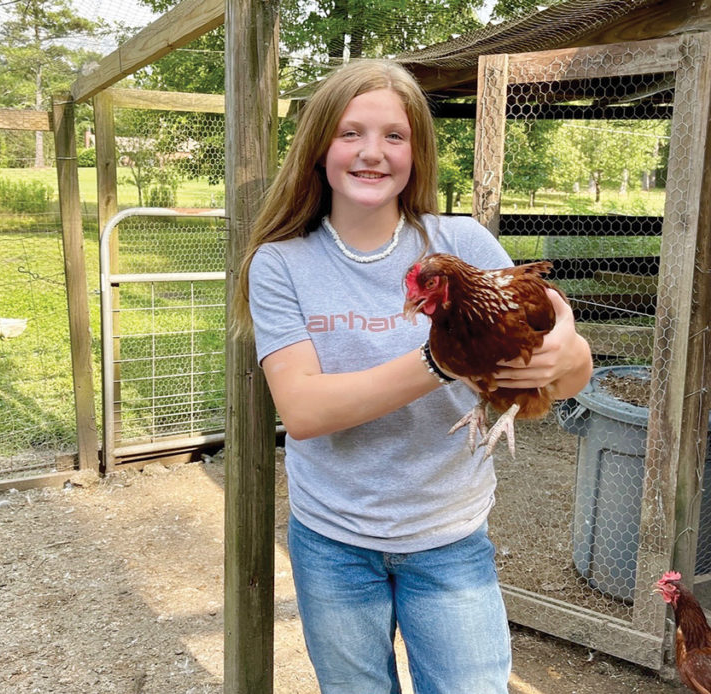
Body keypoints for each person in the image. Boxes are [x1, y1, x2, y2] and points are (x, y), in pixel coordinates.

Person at [231, 59, 593, 694]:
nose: (373, 153)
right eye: (351, 133)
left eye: (393, 136)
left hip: (448, 536)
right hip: (334, 542)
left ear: (415, 151)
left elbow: (568, 376)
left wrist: (565, 356)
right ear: (319, 147)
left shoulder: (465, 243)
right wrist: (444, 359)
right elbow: (305, 412)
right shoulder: (280, 264)